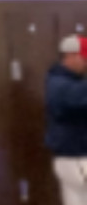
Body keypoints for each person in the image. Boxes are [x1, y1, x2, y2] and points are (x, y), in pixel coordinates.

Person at [45, 34, 87, 205]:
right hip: (75, 158)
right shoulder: (60, 84)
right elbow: (78, 96)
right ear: (71, 56)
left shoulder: (67, 81)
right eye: (84, 58)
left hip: (73, 159)